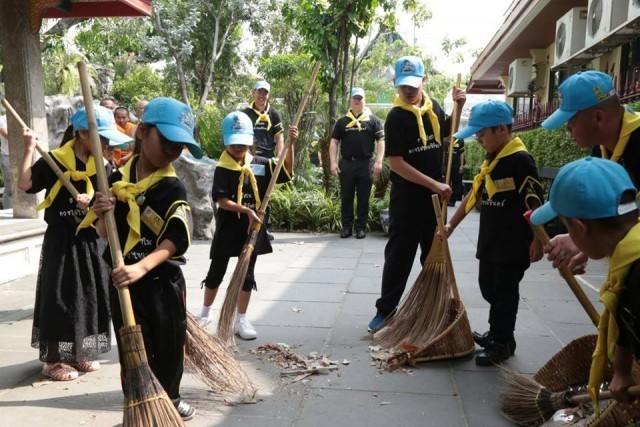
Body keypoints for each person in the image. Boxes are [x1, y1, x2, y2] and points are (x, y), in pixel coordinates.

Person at [89, 97, 204, 421]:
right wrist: (102, 213)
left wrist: (141, 266)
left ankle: (171, 397)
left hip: (161, 283)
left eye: (179, 145)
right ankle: (139, 401)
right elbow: (102, 232)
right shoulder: (116, 181)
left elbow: (176, 239)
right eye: (166, 140)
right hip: (124, 284)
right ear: (142, 131)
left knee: (168, 344)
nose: (172, 150)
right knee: (132, 349)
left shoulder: (171, 187)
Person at [17, 105, 132, 381]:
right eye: (100, 137)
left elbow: (113, 200)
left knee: (90, 297)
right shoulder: (55, 161)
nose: (105, 144)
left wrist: (95, 203)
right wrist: (29, 148)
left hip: (92, 240)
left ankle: (80, 354)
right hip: (62, 241)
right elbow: (24, 184)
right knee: (60, 298)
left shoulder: (103, 166)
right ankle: (54, 360)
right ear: (81, 133)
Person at [440, 100, 544, 365]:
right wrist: (452, 224)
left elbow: (534, 202)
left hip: (513, 241)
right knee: (488, 287)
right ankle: (502, 335)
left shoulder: (520, 160)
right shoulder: (492, 159)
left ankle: (501, 341)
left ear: (501, 129)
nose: (478, 139)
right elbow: (475, 194)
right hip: (490, 238)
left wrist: (538, 239)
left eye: (481, 134)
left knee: (503, 291)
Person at [529, 157, 640, 404]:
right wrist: (621, 371)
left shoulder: (634, 281)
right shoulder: (629, 258)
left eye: (566, 226)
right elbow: (625, 322)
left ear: (579, 226)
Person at [368, 56, 466, 332]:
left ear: (424, 81)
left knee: (434, 255)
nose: (408, 91)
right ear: (395, 84)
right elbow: (396, 163)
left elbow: (450, 132)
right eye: (403, 86)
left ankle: (435, 310)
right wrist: (433, 185)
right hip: (408, 198)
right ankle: (385, 311)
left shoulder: (433, 107)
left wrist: (460, 105)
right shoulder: (396, 117)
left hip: (436, 199)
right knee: (399, 255)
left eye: (413, 85)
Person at [197, 111, 298, 340]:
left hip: (252, 229)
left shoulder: (260, 164)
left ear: (251, 140)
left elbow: (287, 169)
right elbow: (221, 200)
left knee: (247, 273)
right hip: (229, 225)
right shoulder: (223, 167)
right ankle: (205, 313)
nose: (239, 148)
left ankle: (241, 319)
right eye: (234, 144)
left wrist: (290, 144)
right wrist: (246, 210)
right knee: (217, 270)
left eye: (243, 143)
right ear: (226, 142)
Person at [540, 71, 640, 275]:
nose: (568, 129)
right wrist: (586, 243)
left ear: (598, 117)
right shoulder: (600, 146)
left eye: (572, 121)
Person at [329, 87, 385, 239]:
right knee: (346, 197)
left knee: (363, 197)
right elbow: (334, 141)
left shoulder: (373, 120)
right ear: (350, 100)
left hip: (365, 164)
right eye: (355, 97)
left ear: (364, 100)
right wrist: (333, 162)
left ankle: (361, 228)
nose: (357, 100)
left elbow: (381, 140)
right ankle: (346, 228)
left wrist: (379, 161)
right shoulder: (342, 121)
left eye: (360, 98)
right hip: (346, 164)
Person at [242, 81, 284, 242]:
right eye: (259, 92)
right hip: (250, 159)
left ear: (268, 95)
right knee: (250, 193)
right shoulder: (246, 113)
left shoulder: (273, 114)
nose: (262, 95)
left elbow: (279, 137)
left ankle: (264, 229)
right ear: (253, 93)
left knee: (266, 194)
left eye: (265, 93)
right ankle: (247, 226)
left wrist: (280, 157)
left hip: (267, 159)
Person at [444, 137, 465, 206]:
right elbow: (443, 154)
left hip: (456, 166)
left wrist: (461, 166)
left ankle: (453, 200)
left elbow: (462, 153)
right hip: (446, 166)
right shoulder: (445, 140)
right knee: (446, 182)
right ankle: (446, 199)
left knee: (456, 183)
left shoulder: (460, 140)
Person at [0, 114, 11, 209]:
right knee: (10, 188)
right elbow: (8, 135)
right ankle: (9, 211)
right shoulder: (2, 119)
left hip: (21, 156)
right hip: (7, 157)